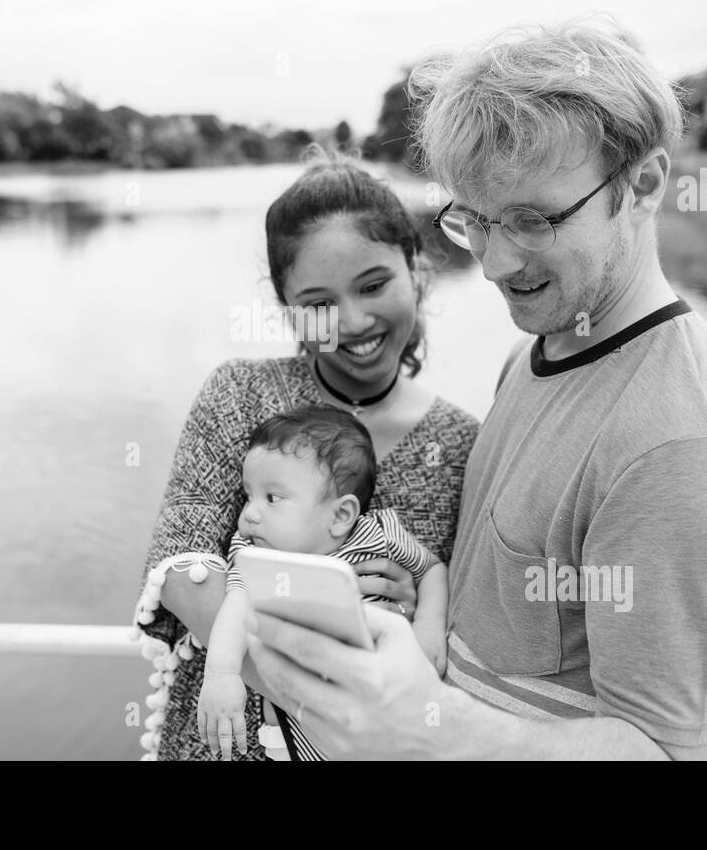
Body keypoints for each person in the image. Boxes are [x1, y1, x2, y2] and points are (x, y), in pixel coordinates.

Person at [244, 19, 707, 760]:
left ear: (643, 184)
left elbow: (666, 754)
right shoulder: (535, 350)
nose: (496, 262)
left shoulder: (689, 448)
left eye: (533, 220)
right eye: (475, 221)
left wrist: (428, 723)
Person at [137, 147, 479, 761]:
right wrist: (335, 709)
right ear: (287, 306)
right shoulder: (239, 395)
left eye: (374, 285)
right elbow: (183, 575)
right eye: (319, 302)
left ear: (416, 269)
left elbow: (466, 613)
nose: (352, 321)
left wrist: (426, 618)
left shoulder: (460, 442)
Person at [198, 405, 447, 761]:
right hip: (294, 739)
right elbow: (236, 604)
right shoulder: (259, 556)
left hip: (385, 727)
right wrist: (222, 673)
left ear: (341, 515)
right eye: (247, 495)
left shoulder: (378, 534)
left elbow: (432, 569)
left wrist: (428, 626)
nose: (249, 513)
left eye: (272, 498)